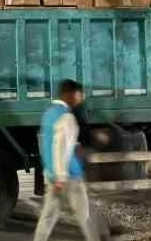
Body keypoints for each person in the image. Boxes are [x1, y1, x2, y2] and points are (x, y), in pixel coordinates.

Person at [34, 79, 102, 241]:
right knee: (85, 216)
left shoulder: (49, 114)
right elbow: (60, 147)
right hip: (69, 175)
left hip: (53, 174)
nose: (81, 97)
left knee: (48, 217)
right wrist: (61, 176)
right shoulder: (66, 117)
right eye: (79, 94)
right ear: (70, 94)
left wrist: (52, 173)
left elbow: (46, 144)